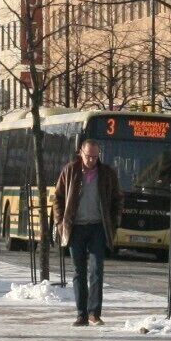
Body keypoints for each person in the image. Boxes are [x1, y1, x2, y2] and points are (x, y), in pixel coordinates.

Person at [50, 137, 120, 327]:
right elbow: (58, 198)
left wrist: (114, 222)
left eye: (95, 157)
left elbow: (117, 199)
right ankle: (81, 314)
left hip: (98, 226)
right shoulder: (70, 171)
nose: (91, 160)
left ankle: (94, 313)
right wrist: (60, 223)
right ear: (80, 152)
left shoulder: (107, 174)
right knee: (79, 270)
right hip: (76, 227)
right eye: (88, 156)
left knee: (97, 269)